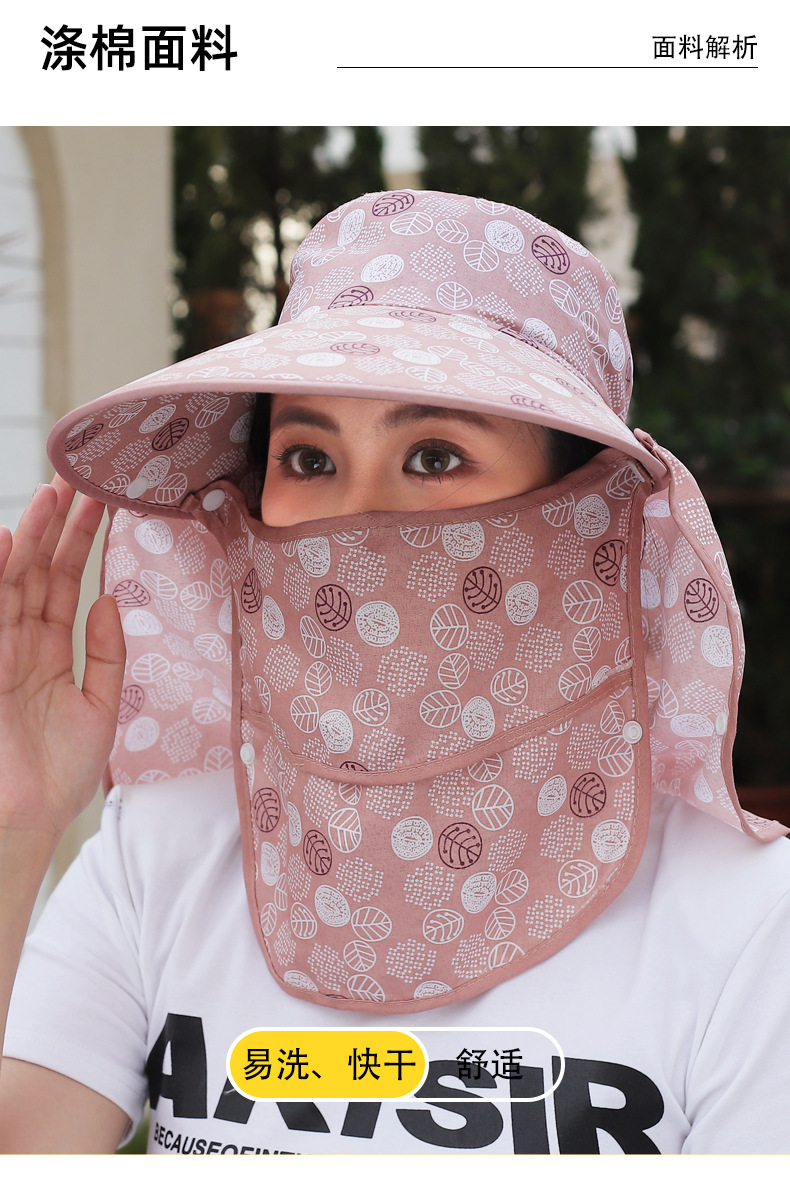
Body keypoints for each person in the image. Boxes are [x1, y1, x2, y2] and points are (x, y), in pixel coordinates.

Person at [1, 189, 789, 1155]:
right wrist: (15, 826)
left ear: (582, 514)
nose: (356, 516)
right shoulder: (160, 850)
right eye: (308, 458)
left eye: (435, 455)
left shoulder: (750, 923)